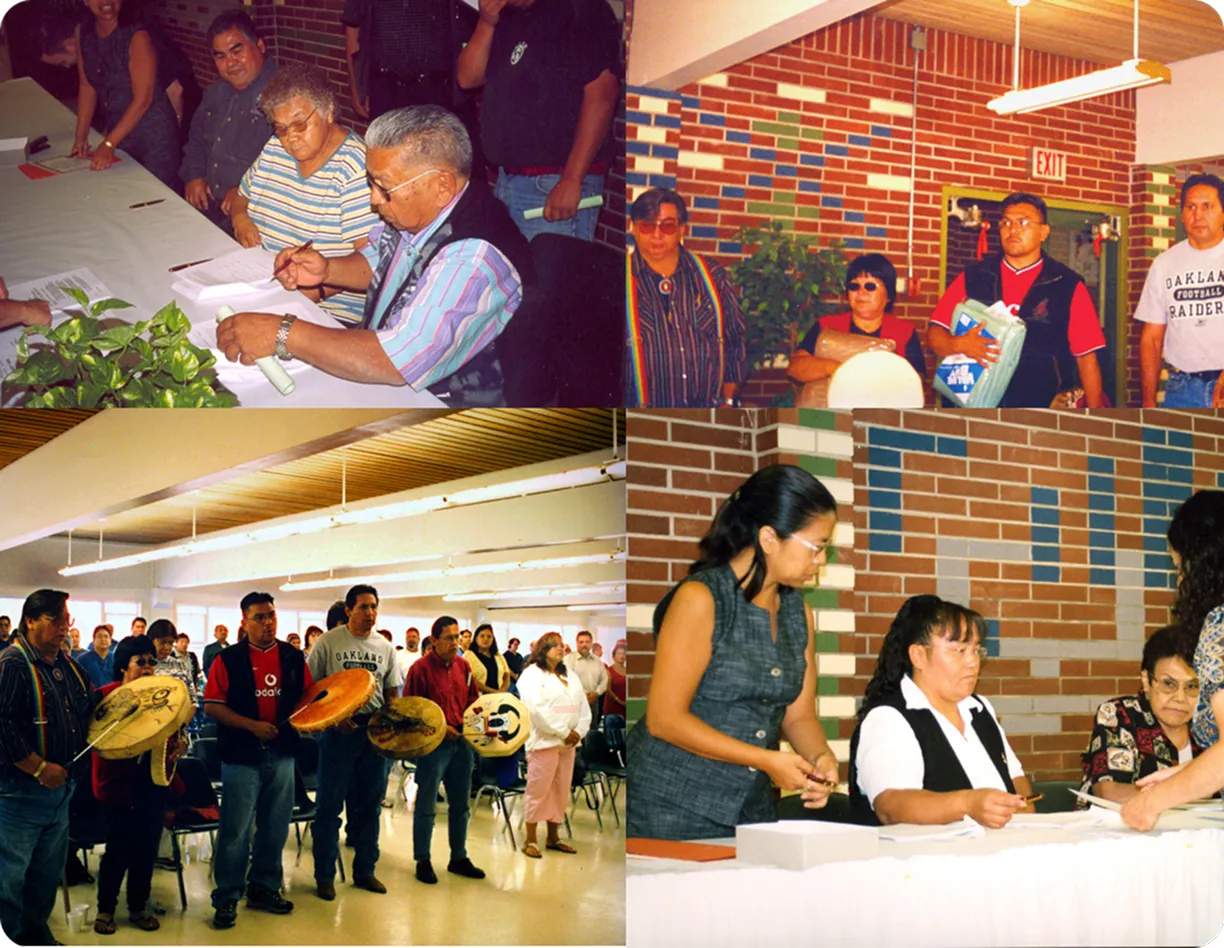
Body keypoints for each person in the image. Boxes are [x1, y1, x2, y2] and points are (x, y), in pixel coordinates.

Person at [218, 105, 532, 406]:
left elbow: (396, 360)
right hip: (388, 371)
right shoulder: (420, 211)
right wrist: (327, 271)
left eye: (383, 187)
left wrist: (283, 333)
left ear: (441, 186)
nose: (373, 199)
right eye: (372, 183)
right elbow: (377, 261)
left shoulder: (472, 258)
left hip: (445, 404)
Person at [627, 465, 840, 840]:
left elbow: (799, 715)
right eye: (818, 547)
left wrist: (821, 758)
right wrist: (765, 760)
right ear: (769, 538)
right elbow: (664, 719)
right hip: (669, 803)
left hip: (750, 806)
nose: (821, 560)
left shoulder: (798, 612)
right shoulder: (701, 598)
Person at [850, 595, 1034, 827]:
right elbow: (891, 805)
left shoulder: (979, 708)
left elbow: (1015, 776)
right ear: (918, 655)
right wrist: (968, 803)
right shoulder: (889, 719)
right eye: (959, 650)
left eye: (976, 651)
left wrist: (1024, 810)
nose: (972, 662)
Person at [227, 62, 378, 325]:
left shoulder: (355, 168)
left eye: (299, 125)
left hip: (326, 310)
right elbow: (241, 196)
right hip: (262, 282)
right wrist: (240, 219)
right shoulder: (276, 148)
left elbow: (371, 263)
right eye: (282, 128)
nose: (290, 139)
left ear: (329, 112)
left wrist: (312, 291)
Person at [457, 0, 620, 242]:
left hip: (553, 185)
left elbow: (602, 94)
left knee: (549, 277)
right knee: (515, 277)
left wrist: (572, 179)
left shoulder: (583, 9)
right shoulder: (508, 16)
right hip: (509, 181)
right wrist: (486, 22)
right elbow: (467, 77)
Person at [927, 192, 1105, 408]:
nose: (1013, 230)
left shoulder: (1066, 284)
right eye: (1006, 222)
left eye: (1023, 222)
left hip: (1042, 411)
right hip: (974, 409)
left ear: (1044, 232)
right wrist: (958, 344)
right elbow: (935, 335)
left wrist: (1096, 419)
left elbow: (1087, 360)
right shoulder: (974, 276)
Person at [204, 592, 310, 929]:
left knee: (275, 826)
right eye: (260, 617)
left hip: (282, 755)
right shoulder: (229, 660)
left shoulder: (293, 657)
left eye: (272, 615)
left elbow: (310, 699)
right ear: (244, 622)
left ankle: (264, 886)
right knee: (235, 830)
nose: (268, 622)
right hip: (240, 757)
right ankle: (227, 896)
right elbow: (212, 706)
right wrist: (252, 727)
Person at [0, 590, 94, 946]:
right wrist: (38, 768)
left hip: (59, 795)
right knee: (9, 879)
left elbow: (93, 710)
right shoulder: (13, 664)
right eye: (54, 620)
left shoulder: (69, 666)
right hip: (18, 796)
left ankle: (35, 933)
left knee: (45, 874)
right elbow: (2, 725)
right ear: (30, 622)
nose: (63, 627)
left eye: (65, 619)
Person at [307, 584, 404, 899]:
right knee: (329, 808)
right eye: (363, 607)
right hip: (337, 735)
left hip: (373, 734)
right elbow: (312, 690)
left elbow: (391, 693)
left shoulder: (385, 647)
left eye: (374, 607)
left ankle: (365, 870)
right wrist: (333, 716)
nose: (370, 613)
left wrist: (391, 726)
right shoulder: (329, 642)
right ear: (348, 611)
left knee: (369, 807)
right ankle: (324, 876)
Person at [91, 635, 186, 936]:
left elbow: (177, 734)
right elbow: (95, 740)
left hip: (154, 783)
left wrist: (180, 745)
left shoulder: (164, 698)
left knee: (146, 849)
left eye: (151, 662)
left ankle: (137, 906)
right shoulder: (105, 698)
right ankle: (105, 908)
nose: (147, 668)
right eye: (140, 662)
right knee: (118, 849)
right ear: (123, 667)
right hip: (117, 784)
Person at [626, 188, 746, 407]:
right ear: (633, 227)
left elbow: (735, 340)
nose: (656, 234)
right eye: (647, 225)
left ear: (682, 229)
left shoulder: (712, 275)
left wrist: (728, 400)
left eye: (667, 225)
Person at [1079, 625, 1203, 807]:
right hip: (1116, 831)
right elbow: (1109, 792)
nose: (1180, 698)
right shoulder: (1120, 714)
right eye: (1169, 684)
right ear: (1146, 681)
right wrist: (1183, 792)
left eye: (1192, 686)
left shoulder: (1209, 726)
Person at [403, 616, 485, 884]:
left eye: (457, 636)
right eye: (449, 638)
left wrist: (471, 724)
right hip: (433, 746)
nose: (455, 642)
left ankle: (458, 857)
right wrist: (440, 728)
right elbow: (412, 711)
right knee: (426, 804)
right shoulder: (420, 669)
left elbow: (473, 701)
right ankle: (422, 859)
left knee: (460, 805)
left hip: (462, 744)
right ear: (434, 640)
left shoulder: (464, 666)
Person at [180, 11, 277, 231]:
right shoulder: (216, 92)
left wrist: (245, 190)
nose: (230, 63)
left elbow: (292, 166)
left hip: (256, 215)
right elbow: (195, 140)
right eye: (220, 56)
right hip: (210, 208)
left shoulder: (284, 96)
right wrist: (194, 175)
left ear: (260, 46)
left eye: (237, 51)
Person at [70, 0, 180, 189]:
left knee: (154, 199)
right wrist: (81, 136)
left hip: (153, 137)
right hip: (119, 132)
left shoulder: (137, 35)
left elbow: (144, 99)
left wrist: (109, 144)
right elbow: (87, 84)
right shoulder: (83, 32)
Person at [1136, 173, 1224, 408]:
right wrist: (1148, 400)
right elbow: (1151, 340)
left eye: (1208, 207)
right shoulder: (1164, 264)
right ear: (1182, 215)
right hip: (1181, 389)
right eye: (1191, 207)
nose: (1198, 215)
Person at [788, 253, 927, 387]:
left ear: (888, 295)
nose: (861, 292)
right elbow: (795, 368)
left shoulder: (904, 331)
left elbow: (916, 381)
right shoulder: (826, 326)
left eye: (870, 286)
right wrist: (834, 368)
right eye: (854, 286)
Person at [40, 10, 196, 128]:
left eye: (62, 62)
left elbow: (175, 90)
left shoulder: (136, 38)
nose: (67, 67)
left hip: (178, 110)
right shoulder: (99, 42)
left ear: (70, 44)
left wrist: (175, 132)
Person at [517, 631, 591, 858]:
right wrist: (562, 731)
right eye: (555, 645)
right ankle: (530, 839)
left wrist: (578, 731)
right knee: (538, 790)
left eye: (562, 645)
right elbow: (536, 709)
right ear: (543, 649)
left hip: (568, 744)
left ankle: (553, 837)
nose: (561, 648)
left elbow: (581, 707)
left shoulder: (569, 673)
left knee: (560, 791)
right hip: (543, 742)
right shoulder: (531, 674)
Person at [148, 619, 198, 704]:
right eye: (162, 642)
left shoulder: (181, 666)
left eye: (171, 643)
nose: (167, 647)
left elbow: (192, 700)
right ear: (151, 640)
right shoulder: (143, 666)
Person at [567, 630, 607, 721]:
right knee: (577, 732)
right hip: (575, 703)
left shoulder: (597, 661)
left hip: (594, 702)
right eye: (581, 642)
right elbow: (569, 680)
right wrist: (584, 695)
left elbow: (604, 680)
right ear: (576, 643)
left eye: (587, 642)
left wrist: (596, 693)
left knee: (593, 731)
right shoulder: (569, 660)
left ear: (591, 644)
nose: (584, 644)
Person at [464, 623, 509, 694]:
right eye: (482, 636)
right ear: (476, 639)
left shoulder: (498, 656)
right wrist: (493, 691)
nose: (485, 639)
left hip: (498, 696)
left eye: (489, 636)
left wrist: (502, 691)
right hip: (478, 697)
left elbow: (506, 675)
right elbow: (469, 679)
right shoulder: (468, 655)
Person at [78, 623, 116, 688]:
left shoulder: (116, 659)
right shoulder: (83, 659)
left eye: (106, 636)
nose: (103, 639)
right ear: (93, 640)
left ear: (110, 640)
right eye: (99, 636)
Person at [604, 639, 626, 719]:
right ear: (613, 656)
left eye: (624, 653)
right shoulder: (608, 671)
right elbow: (608, 690)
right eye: (619, 653)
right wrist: (620, 702)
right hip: (613, 707)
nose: (622, 656)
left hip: (626, 707)